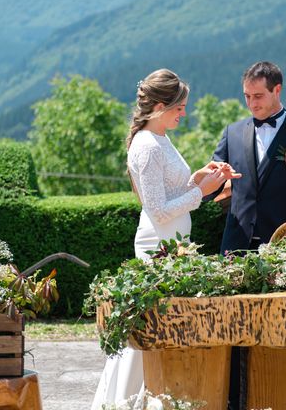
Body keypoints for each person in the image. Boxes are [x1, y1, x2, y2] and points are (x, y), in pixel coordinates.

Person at [92, 68, 239, 409]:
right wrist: (201, 192)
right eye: (179, 107)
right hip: (157, 246)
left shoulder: (161, 138)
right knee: (150, 326)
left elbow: (171, 192)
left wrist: (199, 178)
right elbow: (158, 211)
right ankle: (131, 401)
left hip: (172, 246)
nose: (183, 113)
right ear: (160, 105)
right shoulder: (146, 146)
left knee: (164, 325)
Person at [211, 61, 286, 410]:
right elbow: (211, 181)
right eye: (247, 96)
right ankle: (234, 399)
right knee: (233, 326)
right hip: (237, 248)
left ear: (278, 90)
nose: (252, 104)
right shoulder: (232, 133)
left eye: (259, 96)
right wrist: (207, 182)